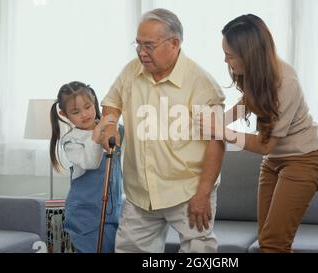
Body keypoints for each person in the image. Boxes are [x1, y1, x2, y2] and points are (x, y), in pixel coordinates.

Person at [196, 14, 318, 253]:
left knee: (273, 244)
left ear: (249, 54)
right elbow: (248, 101)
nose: (226, 61)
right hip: (274, 161)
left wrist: (221, 130)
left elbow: (265, 145)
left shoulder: (286, 82)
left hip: (305, 160)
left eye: (230, 55)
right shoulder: (256, 73)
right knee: (268, 240)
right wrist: (220, 120)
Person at [99, 9, 226, 253]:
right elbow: (111, 102)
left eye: (149, 45)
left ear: (174, 43)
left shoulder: (201, 83)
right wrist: (111, 124)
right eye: (138, 45)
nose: (141, 52)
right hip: (140, 192)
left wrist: (203, 193)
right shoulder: (131, 71)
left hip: (187, 191)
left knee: (199, 252)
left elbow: (216, 141)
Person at [49, 81, 123, 253]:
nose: (84, 114)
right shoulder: (71, 140)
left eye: (88, 107)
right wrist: (97, 134)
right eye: (76, 112)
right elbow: (90, 162)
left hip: (112, 209)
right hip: (85, 213)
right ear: (64, 114)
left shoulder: (112, 129)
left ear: (94, 102)